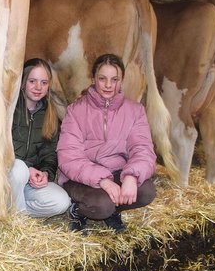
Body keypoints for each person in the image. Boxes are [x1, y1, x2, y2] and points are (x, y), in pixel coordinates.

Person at [57, 53, 157, 233]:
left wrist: (131, 177)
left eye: (114, 79)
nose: (109, 85)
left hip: (117, 172)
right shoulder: (75, 110)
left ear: (122, 80)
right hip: (81, 178)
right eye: (102, 79)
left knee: (146, 191)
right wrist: (103, 180)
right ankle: (78, 210)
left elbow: (143, 149)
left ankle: (113, 209)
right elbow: (68, 156)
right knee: (102, 205)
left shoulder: (135, 111)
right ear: (93, 79)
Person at [9, 58, 71, 218]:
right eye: (32, 81)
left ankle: (11, 209)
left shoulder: (49, 115)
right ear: (22, 83)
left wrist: (44, 173)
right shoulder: (8, 109)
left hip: (29, 182)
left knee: (61, 202)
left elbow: (50, 154)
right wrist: (27, 170)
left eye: (44, 82)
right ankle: (16, 217)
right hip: (5, 177)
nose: (38, 87)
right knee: (18, 169)